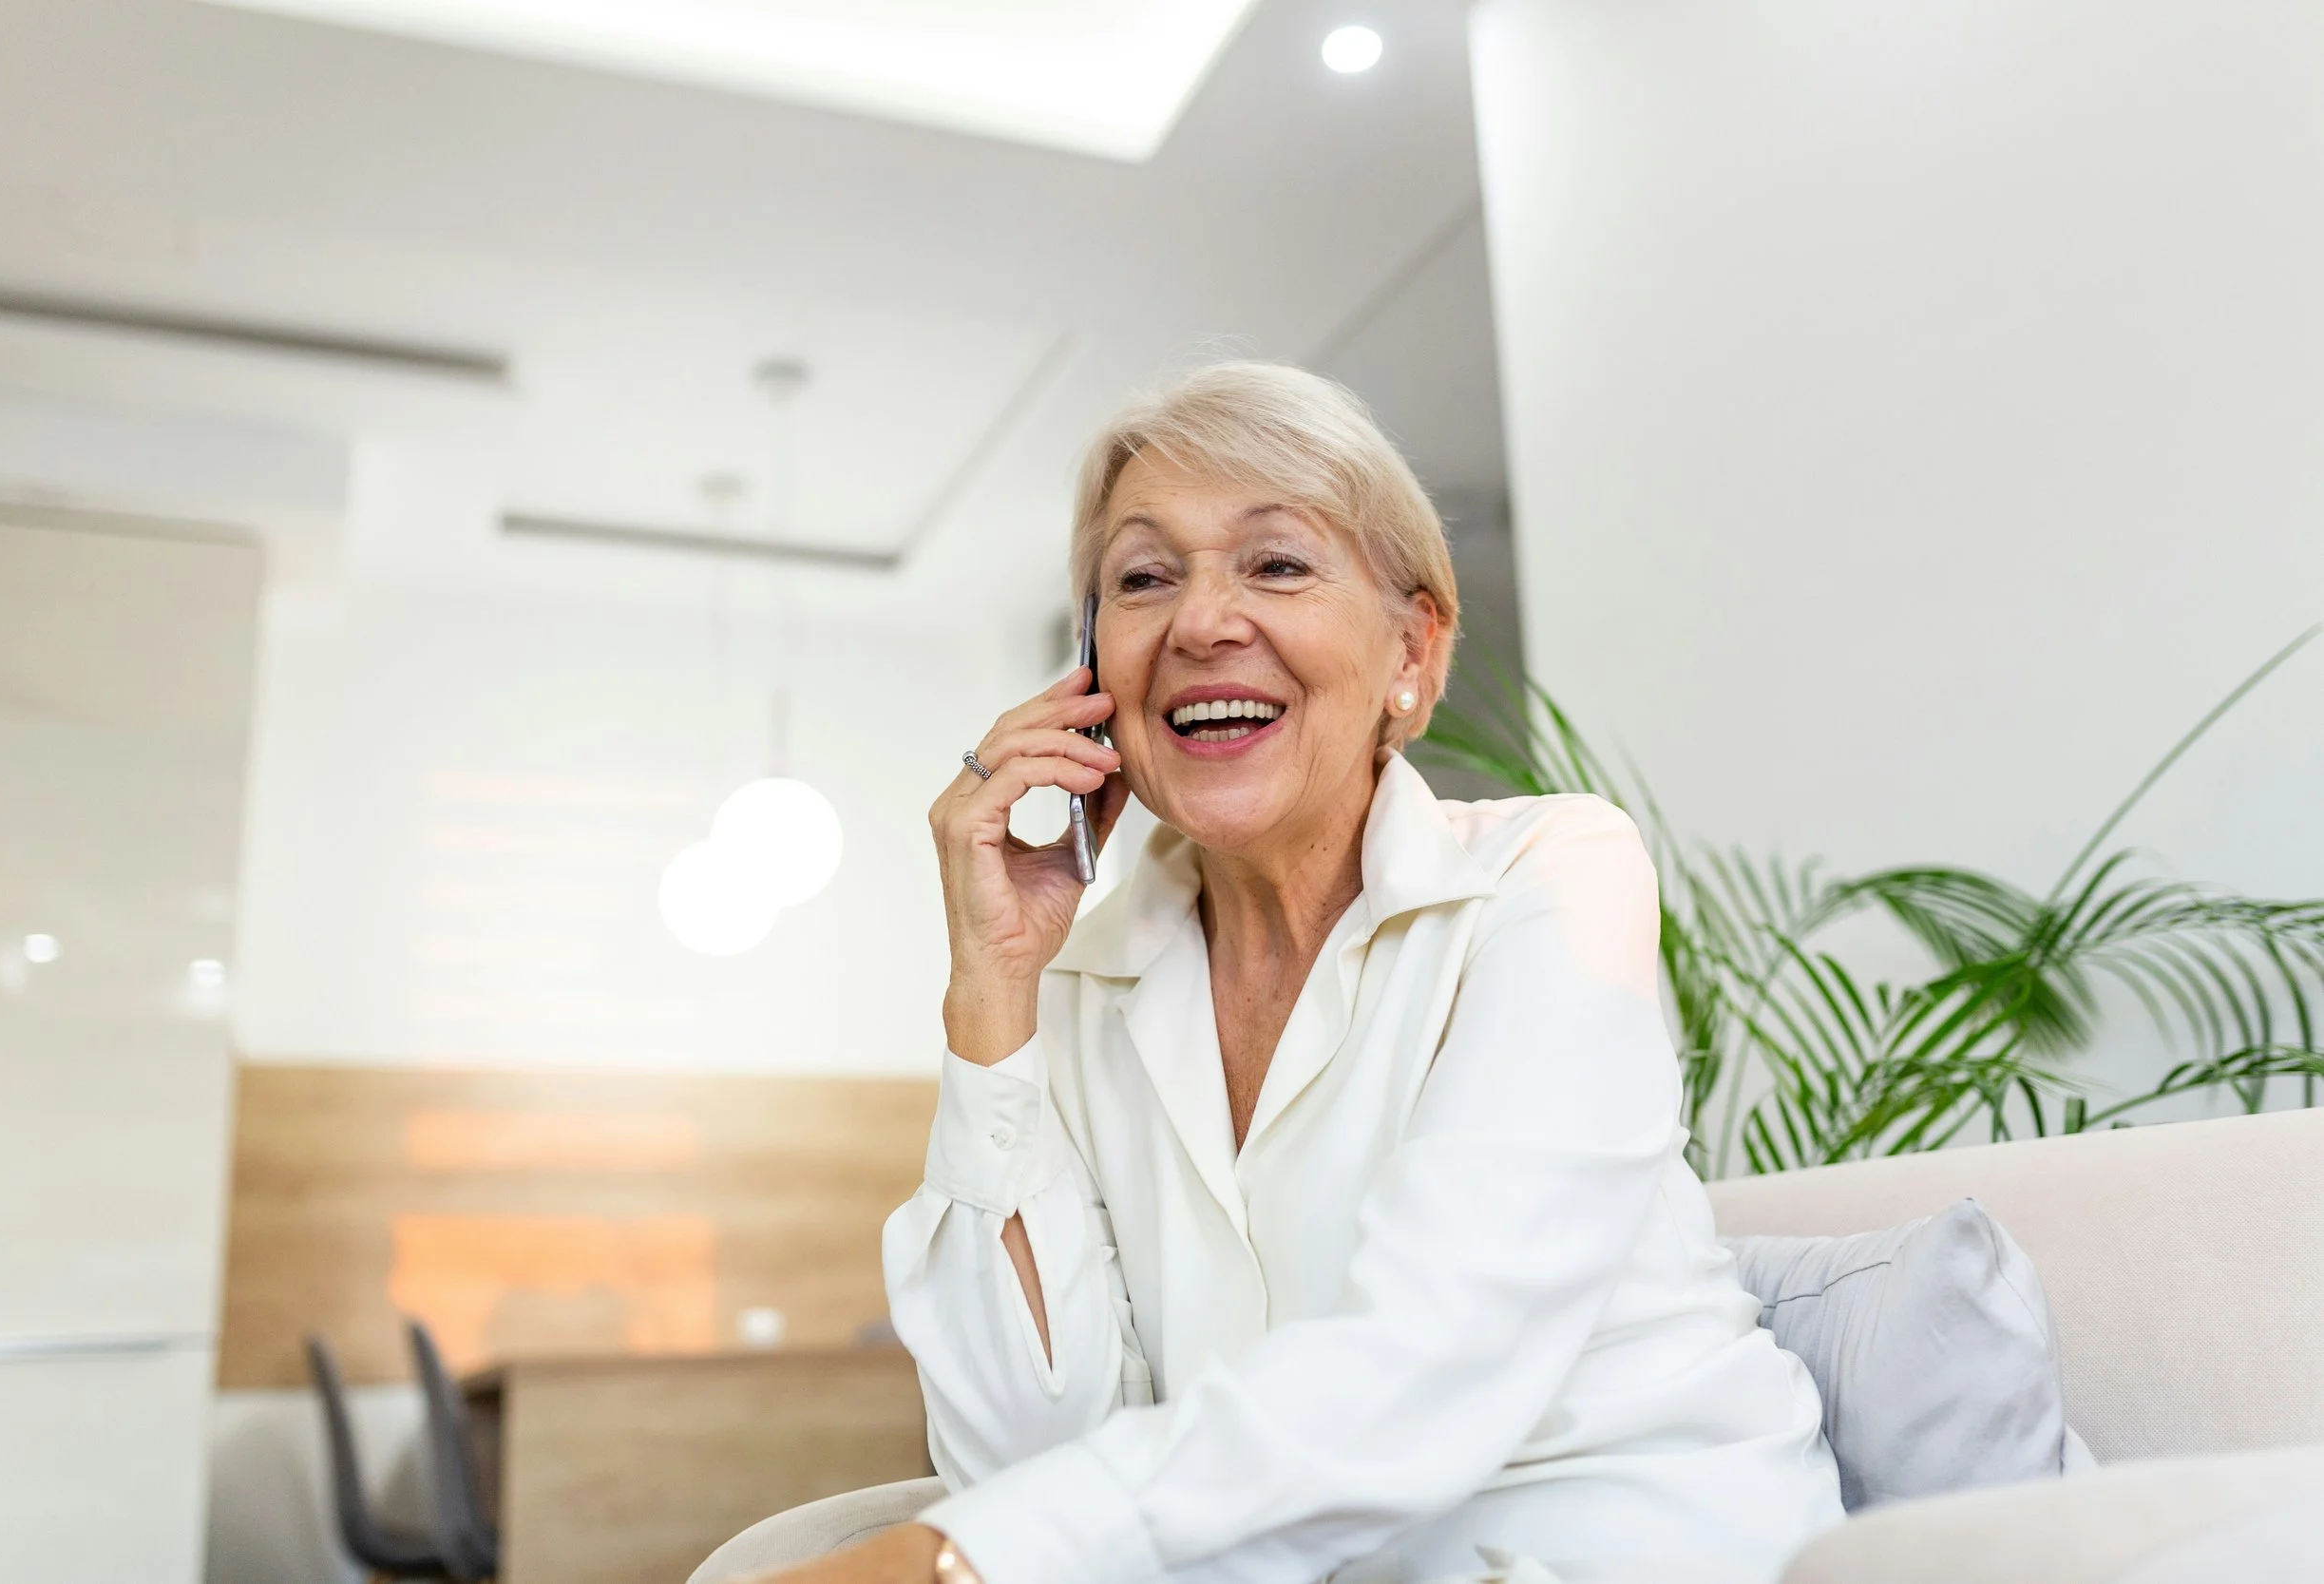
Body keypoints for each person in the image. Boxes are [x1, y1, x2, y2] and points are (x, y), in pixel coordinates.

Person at [751, 363, 1841, 1584]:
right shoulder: (1080, 987)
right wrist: (992, 989)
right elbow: (1025, 1449)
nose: (1202, 623)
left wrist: (954, 1560)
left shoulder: (1552, 877)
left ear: (1411, 651)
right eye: (1143, 578)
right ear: (1092, 681)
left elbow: (1431, 1357)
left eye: (1276, 564)